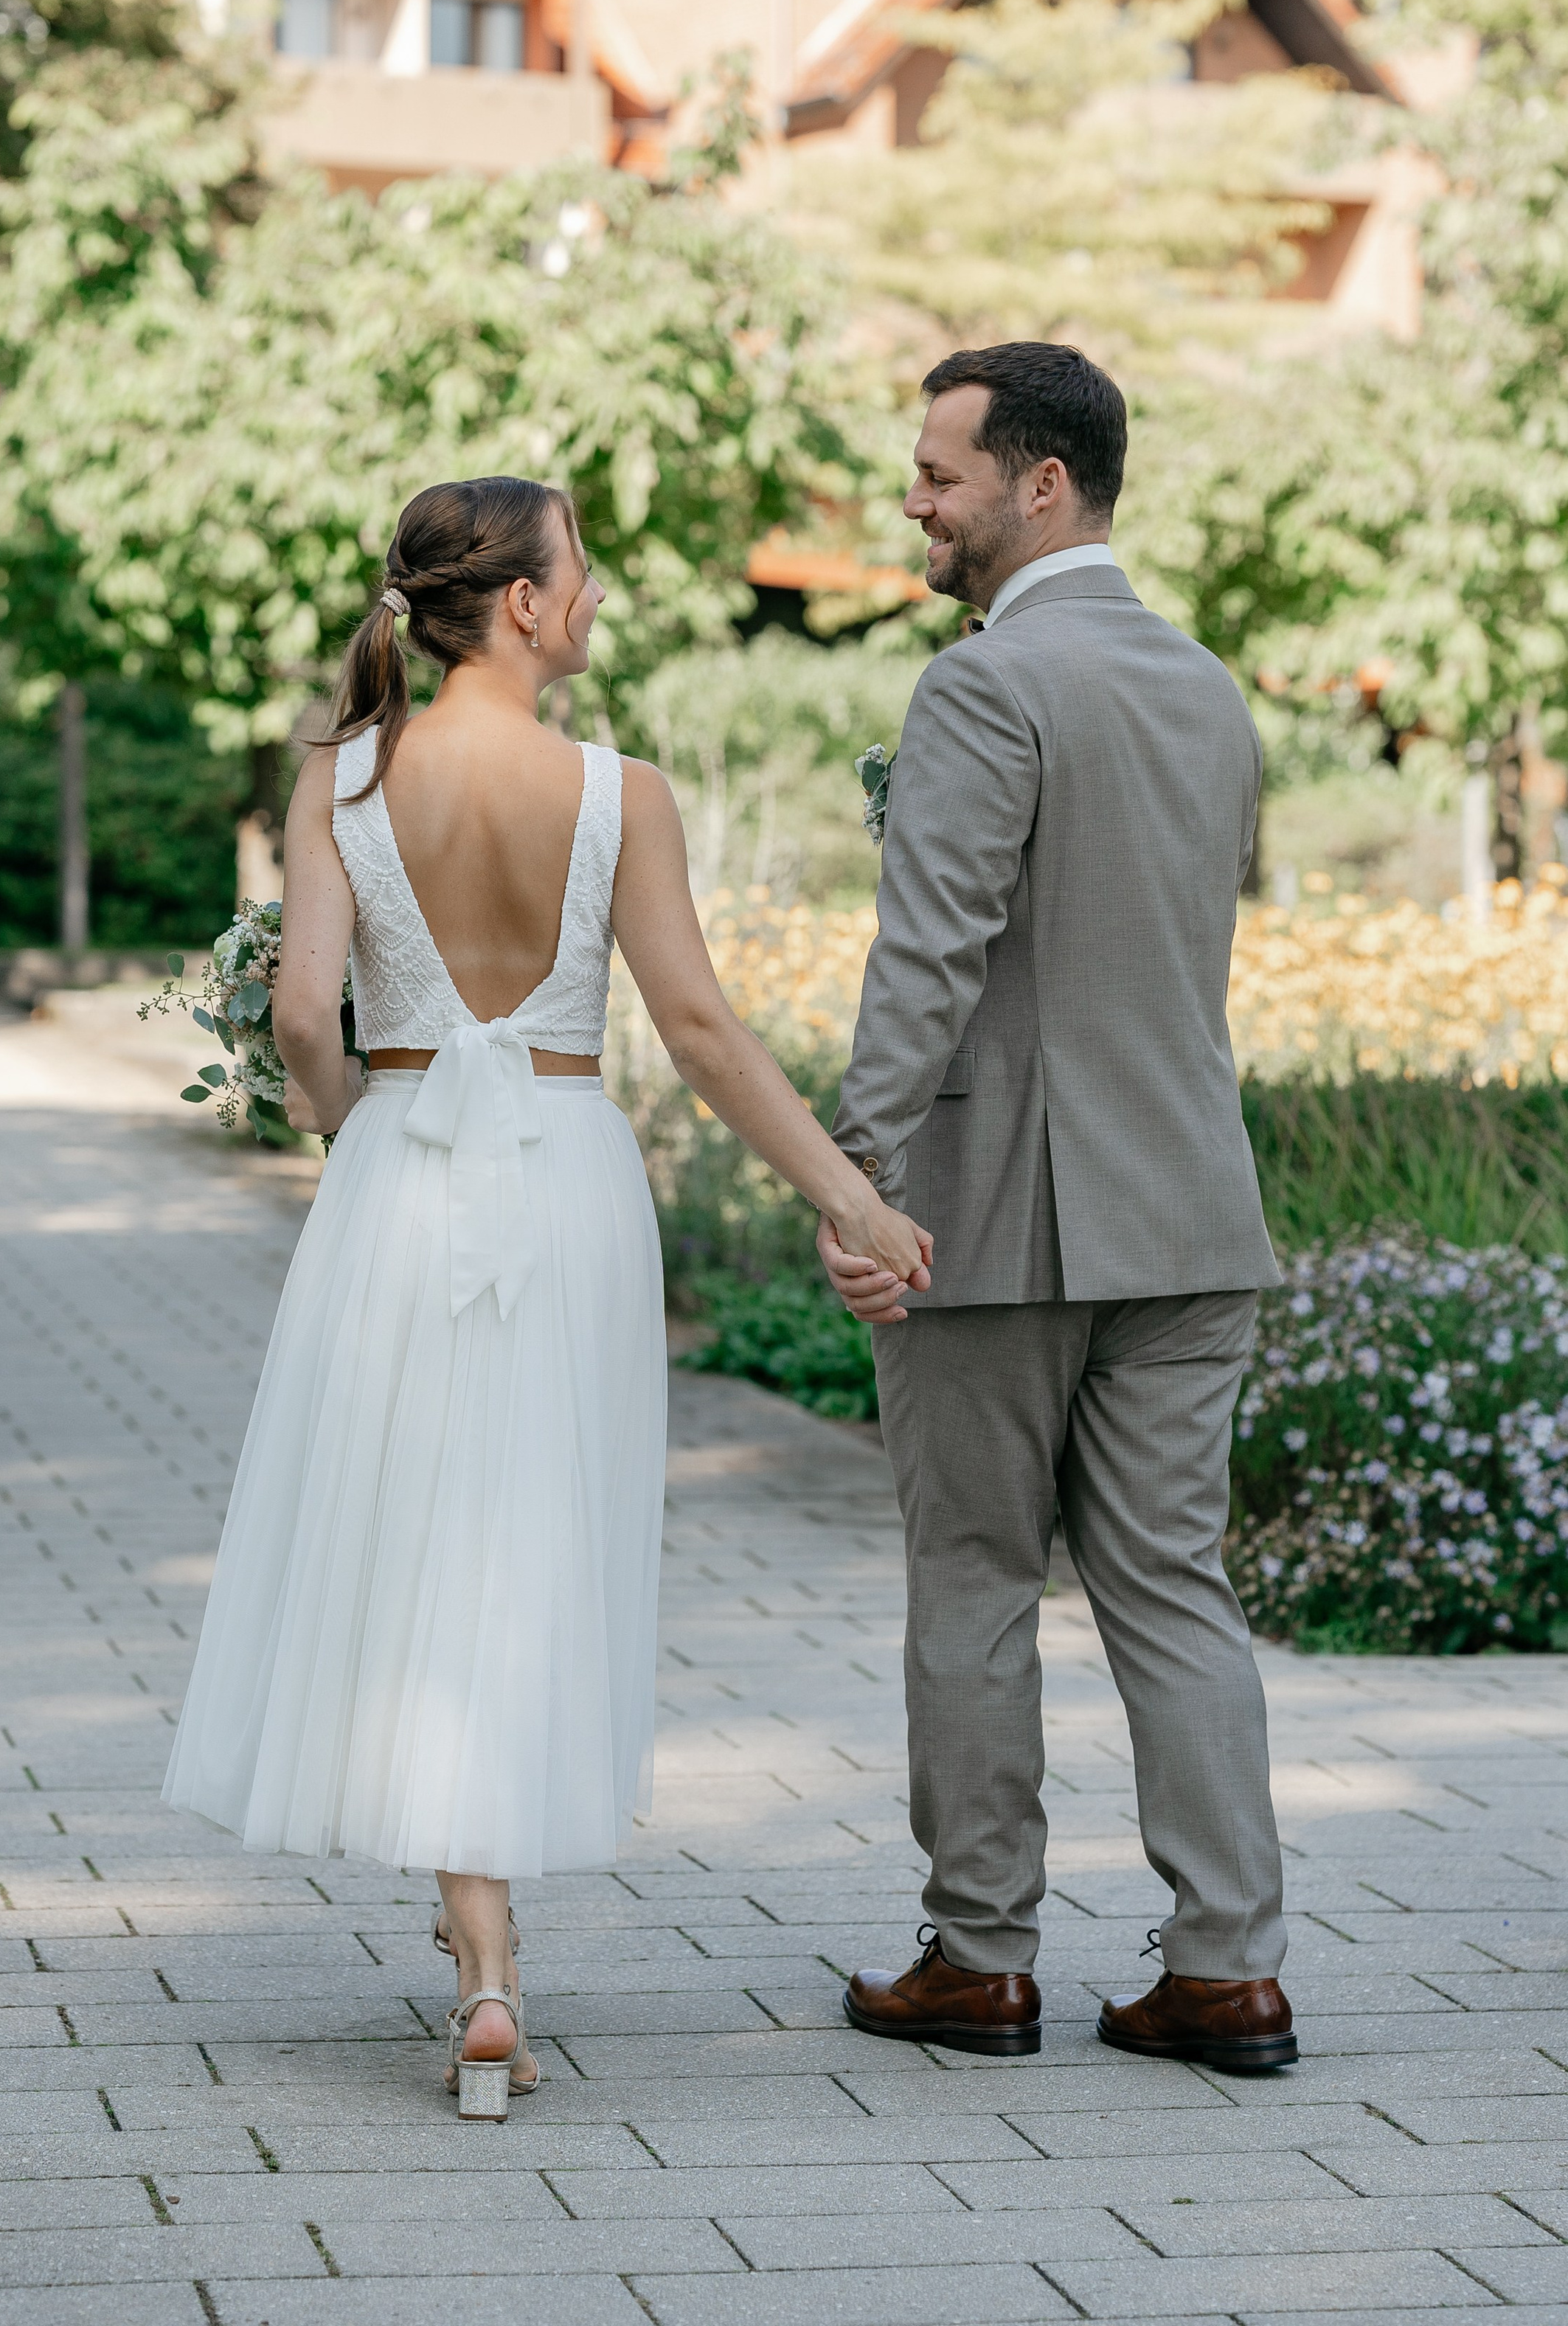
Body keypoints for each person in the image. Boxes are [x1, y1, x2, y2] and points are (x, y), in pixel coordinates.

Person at [162, 475, 931, 2120]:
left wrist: (347, 1126)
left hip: (403, 1172)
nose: (592, 602)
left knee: (414, 1537)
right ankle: (489, 1955)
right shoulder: (619, 792)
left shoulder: (342, 781)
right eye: (579, 576)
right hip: (571, 1176)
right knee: (521, 1544)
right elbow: (705, 1036)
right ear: (517, 602)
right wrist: (851, 1199)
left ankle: (482, 1958)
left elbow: (306, 1019)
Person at [822, 344, 1296, 2075]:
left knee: (967, 1579)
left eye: (937, 472)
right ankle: (1229, 1970)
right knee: (1175, 1587)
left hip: (990, 1219)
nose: (912, 501)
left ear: (1038, 485)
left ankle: (977, 1959)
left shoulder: (984, 687)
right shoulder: (1202, 685)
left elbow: (930, 954)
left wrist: (856, 1178)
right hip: (1188, 1206)